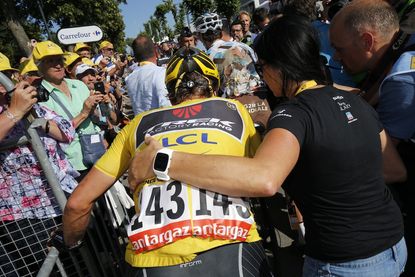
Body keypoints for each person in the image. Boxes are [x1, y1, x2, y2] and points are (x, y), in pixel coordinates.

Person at [128, 15, 408, 277]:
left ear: (280, 66)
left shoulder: (292, 114)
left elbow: (263, 179)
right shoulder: (357, 101)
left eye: (262, 68)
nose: (261, 77)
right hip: (395, 244)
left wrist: (164, 160)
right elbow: (394, 169)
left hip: (344, 260)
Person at [62, 47, 272, 277]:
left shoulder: (138, 124)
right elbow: (258, 175)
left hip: (151, 257)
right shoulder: (234, 110)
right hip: (231, 242)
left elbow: (77, 204)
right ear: (214, 86)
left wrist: (74, 245)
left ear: (171, 92)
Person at [330, 1, 415, 275]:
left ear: (367, 41)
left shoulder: (402, 79)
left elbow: (387, 163)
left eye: (340, 49)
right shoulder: (404, 51)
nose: (336, 58)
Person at [0, 58, 78, 275]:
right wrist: (13, 112)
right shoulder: (12, 110)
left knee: (74, 266)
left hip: (58, 203)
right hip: (22, 217)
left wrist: (40, 121)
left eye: (7, 74)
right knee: (45, 269)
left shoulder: (33, 107)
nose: (4, 81)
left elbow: (67, 132)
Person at [33, 40, 106, 180]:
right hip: (72, 164)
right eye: (50, 61)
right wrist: (84, 112)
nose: (58, 64)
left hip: (96, 151)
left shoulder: (78, 85)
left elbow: (94, 118)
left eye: (60, 59)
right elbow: (58, 133)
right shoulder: (40, 97)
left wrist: (95, 107)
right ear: (40, 67)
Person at [125, 35, 171, 115]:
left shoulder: (129, 79)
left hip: (142, 125)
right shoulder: (160, 73)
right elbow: (166, 105)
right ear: (156, 52)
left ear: (135, 56)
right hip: (161, 124)